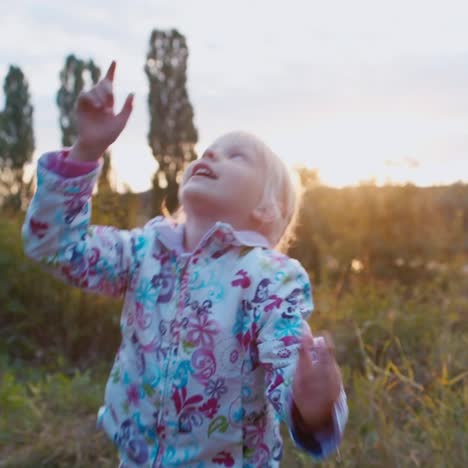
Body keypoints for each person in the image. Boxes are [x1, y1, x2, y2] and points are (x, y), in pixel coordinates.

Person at [22, 61, 347, 468]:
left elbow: (287, 358)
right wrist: (85, 153)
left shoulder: (270, 277)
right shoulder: (144, 251)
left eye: (236, 155)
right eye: (209, 149)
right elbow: (55, 247)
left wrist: (311, 405)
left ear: (267, 207)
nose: (210, 153)